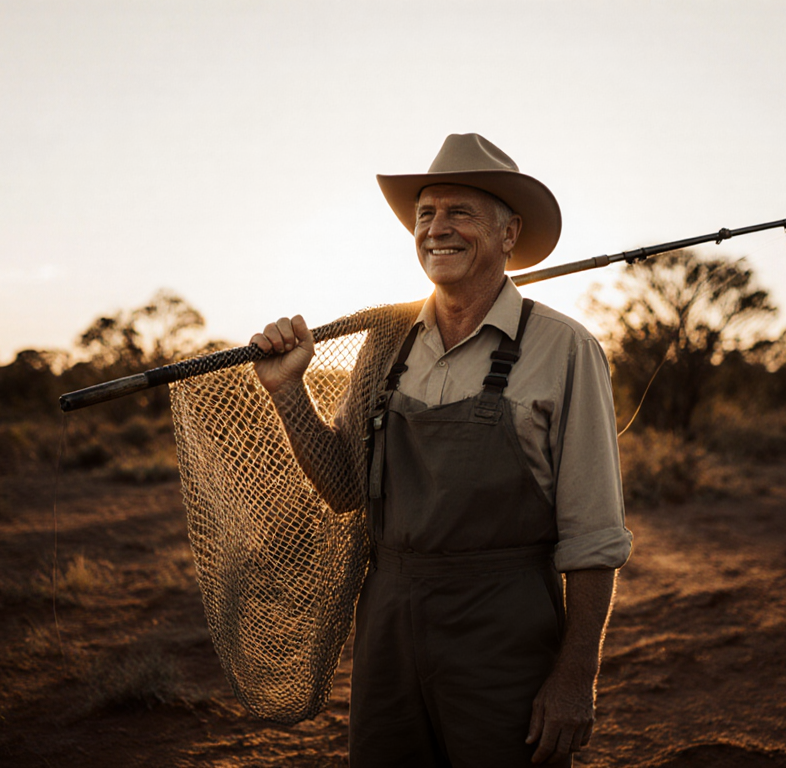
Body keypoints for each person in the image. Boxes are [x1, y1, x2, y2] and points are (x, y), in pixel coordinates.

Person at [251, 133, 631, 767]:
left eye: (459, 212)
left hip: (504, 630)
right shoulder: (386, 344)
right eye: (426, 213)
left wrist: (575, 677)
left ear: (509, 233)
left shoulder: (564, 348)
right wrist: (287, 391)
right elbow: (344, 488)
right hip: (388, 628)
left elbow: (593, 535)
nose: (436, 229)